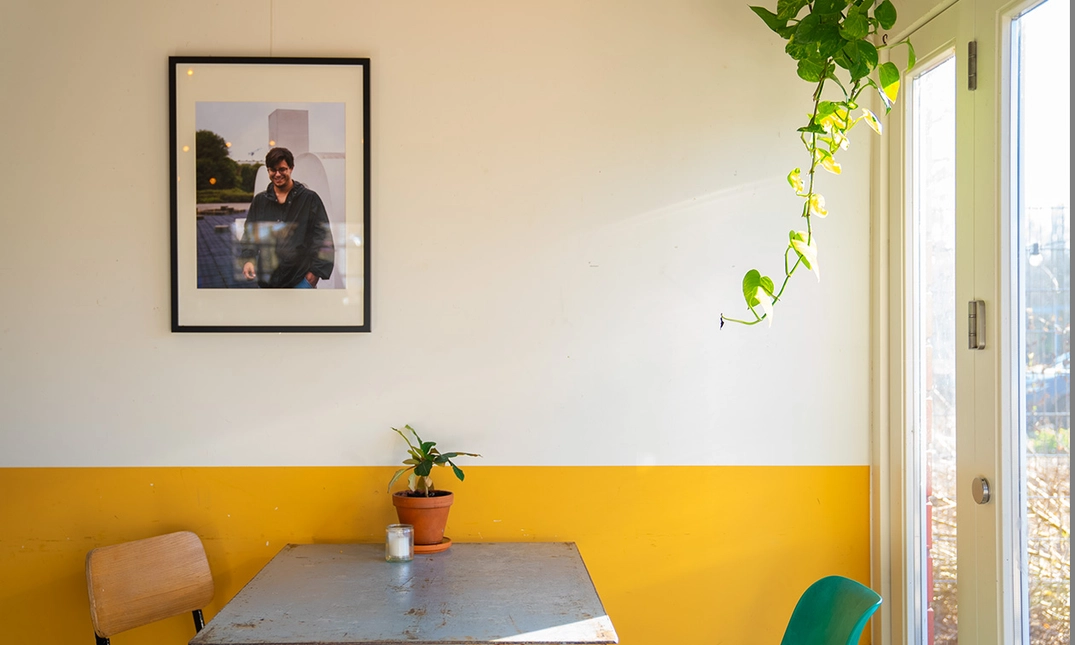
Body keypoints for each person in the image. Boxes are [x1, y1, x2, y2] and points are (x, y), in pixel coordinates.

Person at [239, 147, 334, 288]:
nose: (277, 174)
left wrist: (314, 275)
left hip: (300, 281)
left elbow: (323, 238)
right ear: (268, 171)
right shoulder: (260, 201)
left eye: (282, 169)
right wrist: (248, 260)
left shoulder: (309, 199)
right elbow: (250, 235)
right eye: (273, 170)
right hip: (267, 282)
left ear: (291, 168)